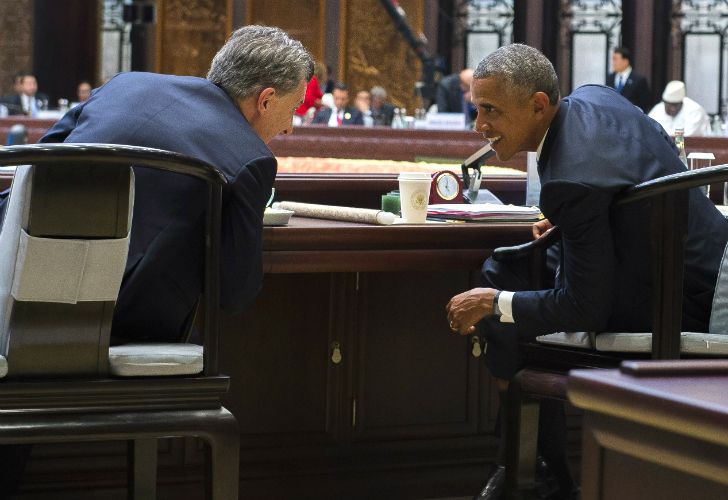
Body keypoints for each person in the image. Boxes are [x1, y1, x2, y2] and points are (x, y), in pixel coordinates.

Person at [445, 43, 728, 500]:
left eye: (491, 110)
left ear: (538, 105)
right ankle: (537, 469)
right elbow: (648, 144)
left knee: (498, 296)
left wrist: (491, 306)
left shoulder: (569, 181)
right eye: (477, 110)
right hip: (705, 266)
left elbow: (584, 307)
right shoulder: (598, 95)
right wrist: (589, 214)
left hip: (680, 306)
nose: (480, 126)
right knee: (504, 268)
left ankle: (535, 471)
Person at [39, 25, 313, 344]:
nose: (289, 129)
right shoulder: (251, 159)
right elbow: (234, 293)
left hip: (18, 292)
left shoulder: (124, 85)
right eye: (293, 109)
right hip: (119, 327)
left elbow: (37, 164)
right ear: (265, 100)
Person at [606, 46, 651, 112]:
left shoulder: (639, 80)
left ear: (625, 61)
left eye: (615, 59)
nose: (613, 63)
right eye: (613, 59)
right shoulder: (610, 78)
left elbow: (645, 104)